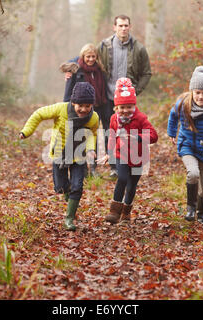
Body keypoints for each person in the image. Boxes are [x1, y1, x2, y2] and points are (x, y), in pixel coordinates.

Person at [66, 14, 152, 179]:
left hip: (125, 100)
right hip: (105, 97)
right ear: (114, 27)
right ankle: (95, 166)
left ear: (130, 27)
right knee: (103, 130)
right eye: (120, 26)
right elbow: (86, 56)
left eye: (126, 25)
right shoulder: (104, 46)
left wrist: (135, 91)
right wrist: (70, 68)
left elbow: (147, 73)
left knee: (120, 131)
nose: (123, 28)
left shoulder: (139, 48)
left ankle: (118, 166)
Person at [19, 82, 99, 231]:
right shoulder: (61, 109)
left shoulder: (93, 118)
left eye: (88, 106)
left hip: (79, 156)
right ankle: (69, 198)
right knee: (60, 187)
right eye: (80, 105)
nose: (83, 109)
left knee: (77, 186)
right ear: (73, 102)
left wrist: (90, 150)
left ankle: (69, 219)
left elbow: (91, 135)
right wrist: (26, 131)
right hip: (59, 154)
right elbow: (39, 114)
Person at [167, 66, 203, 224]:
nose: (200, 97)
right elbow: (173, 116)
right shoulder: (183, 104)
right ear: (192, 91)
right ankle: (190, 209)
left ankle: (201, 213)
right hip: (187, 146)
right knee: (193, 173)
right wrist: (172, 132)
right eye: (197, 92)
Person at [98, 78, 158, 224]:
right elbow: (112, 137)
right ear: (116, 107)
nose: (125, 111)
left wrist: (138, 137)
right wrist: (109, 153)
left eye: (129, 107)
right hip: (121, 155)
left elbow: (154, 136)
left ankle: (126, 213)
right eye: (122, 107)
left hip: (138, 157)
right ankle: (114, 211)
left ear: (134, 105)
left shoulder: (140, 119)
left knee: (131, 186)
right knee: (122, 178)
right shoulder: (114, 119)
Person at [60, 43, 108, 177]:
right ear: (83, 56)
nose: (91, 59)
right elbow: (68, 91)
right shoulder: (76, 69)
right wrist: (66, 107)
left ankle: (93, 167)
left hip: (95, 108)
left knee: (93, 136)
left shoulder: (99, 69)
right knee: (79, 136)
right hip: (78, 109)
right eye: (88, 56)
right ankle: (81, 168)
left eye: (93, 56)